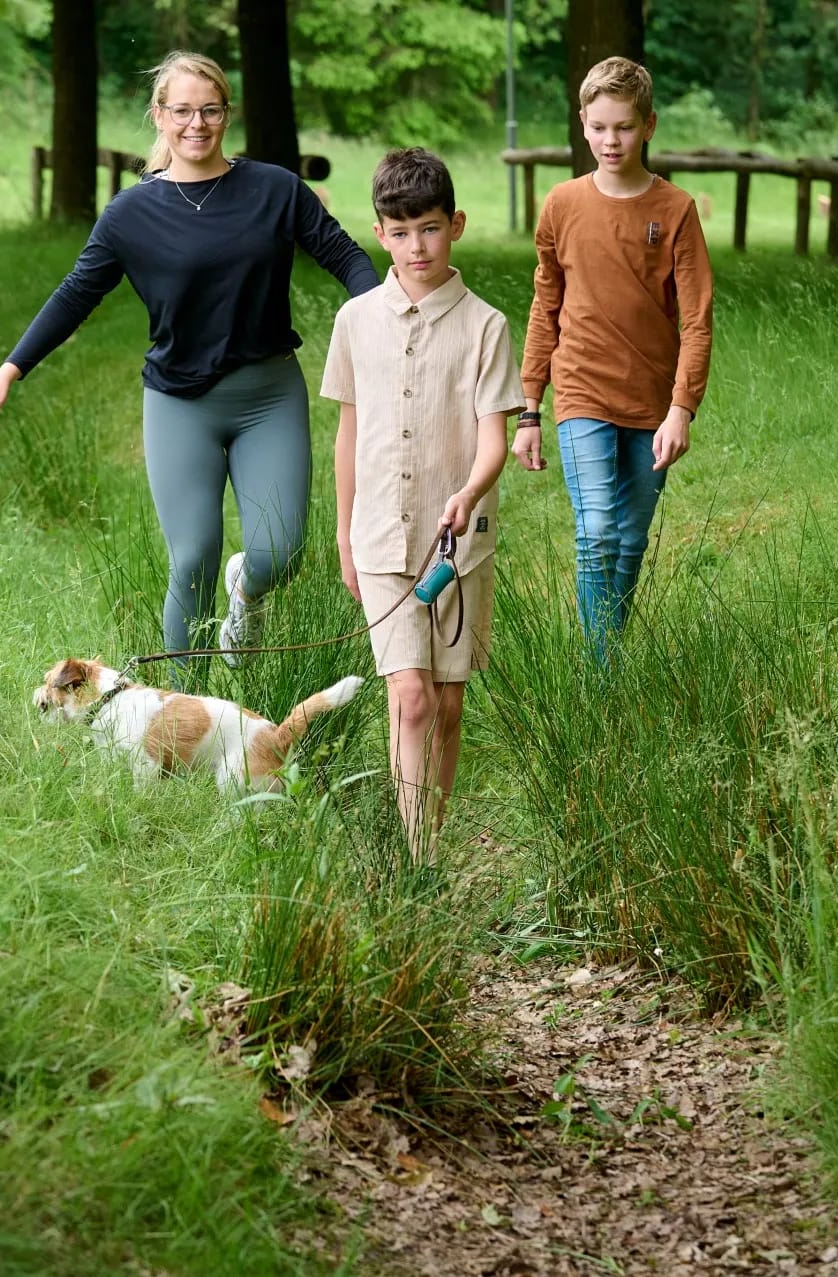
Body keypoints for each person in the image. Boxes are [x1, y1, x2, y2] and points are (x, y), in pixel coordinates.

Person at [0, 52, 379, 682]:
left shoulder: (274, 190)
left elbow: (343, 254)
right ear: (158, 115)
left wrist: (381, 315)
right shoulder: (132, 214)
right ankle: (185, 713)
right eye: (182, 111)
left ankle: (246, 591)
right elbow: (76, 293)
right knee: (191, 558)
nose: (197, 124)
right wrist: (11, 368)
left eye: (210, 110)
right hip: (179, 403)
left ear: (227, 113)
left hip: (268, 393)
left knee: (281, 552)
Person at [322, 148, 528, 854]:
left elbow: (493, 439)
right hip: (379, 536)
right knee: (406, 696)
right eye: (402, 232)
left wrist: (470, 492)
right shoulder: (354, 321)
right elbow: (347, 435)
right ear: (380, 233)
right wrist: (344, 536)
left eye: (431, 229)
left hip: (457, 545)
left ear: (457, 225)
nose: (418, 247)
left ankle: (428, 831)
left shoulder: (487, 326)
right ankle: (419, 861)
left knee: (443, 703)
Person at [518, 56, 714, 664]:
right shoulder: (561, 204)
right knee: (598, 533)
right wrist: (529, 407)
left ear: (648, 125)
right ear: (582, 124)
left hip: (652, 402)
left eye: (624, 127)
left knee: (630, 542)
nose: (610, 140)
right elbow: (545, 302)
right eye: (599, 127)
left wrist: (681, 408)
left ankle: (611, 649)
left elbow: (697, 319)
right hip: (581, 392)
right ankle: (602, 676)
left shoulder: (675, 210)